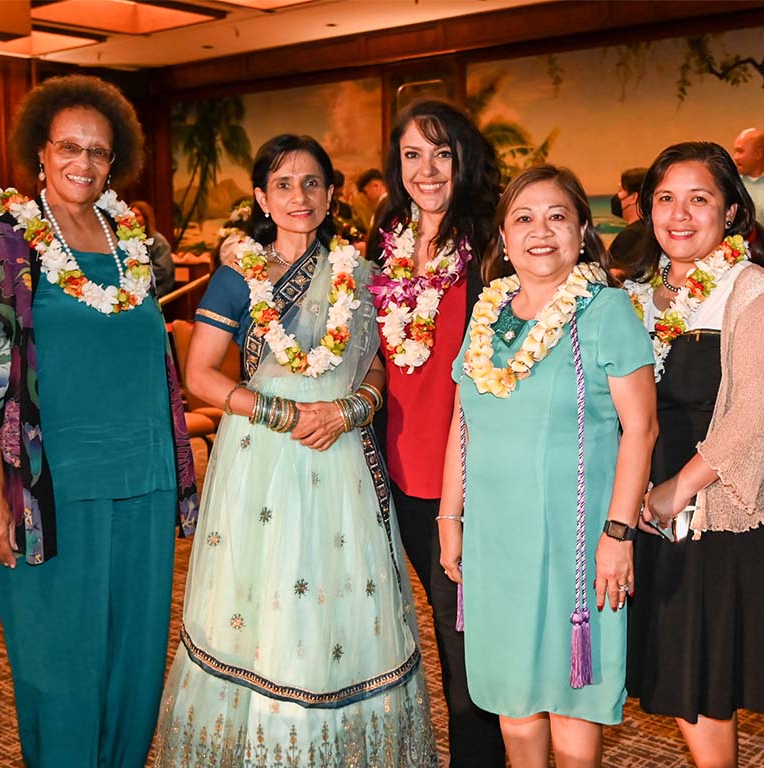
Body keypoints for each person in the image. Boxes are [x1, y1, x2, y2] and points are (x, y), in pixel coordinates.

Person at [153, 134, 438, 767]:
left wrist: (346, 410)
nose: (298, 196)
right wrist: (285, 412)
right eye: (282, 184)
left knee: (342, 600)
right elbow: (200, 375)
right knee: (268, 600)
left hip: (342, 456)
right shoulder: (236, 277)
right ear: (260, 197)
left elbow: (382, 368)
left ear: (332, 193)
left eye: (311, 183)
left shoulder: (362, 277)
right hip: (265, 458)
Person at [0, 74, 198, 767]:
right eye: (69, 148)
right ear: (40, 153)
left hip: (141, 483)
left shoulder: (130, 241)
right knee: (60, 672)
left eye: (98, 151)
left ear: (114, 163)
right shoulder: (8, 247)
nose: (83, 163)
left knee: (133, 668)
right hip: (48, 495)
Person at [439, 165, 658, 766]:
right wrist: (449, 518)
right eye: (524, 218)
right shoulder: (487, 317)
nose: (541, 231)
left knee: (571, 714)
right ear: (504, 238)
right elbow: (463, 424)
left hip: (576, 539)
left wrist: (618, 534)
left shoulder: (607, 310)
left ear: (582, 229)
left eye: (557, 216)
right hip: (496, 538)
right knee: (514, 711)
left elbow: (642, 428)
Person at [618, 141, 764, 768]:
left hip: (716, 509)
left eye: (700, 199)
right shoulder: (637, 292)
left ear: (731, 212)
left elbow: (753, 418)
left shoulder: (755, 295)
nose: (680, 214)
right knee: (674, 674)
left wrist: (675, 490)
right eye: (666, 198)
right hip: (649, 506)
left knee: (702, 692)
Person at [366, 98, 506, 767]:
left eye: (441, 153)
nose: (426, 169)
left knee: (468, 647)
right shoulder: (386, 237)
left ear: (464, 158)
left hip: (463, 478)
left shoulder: (489, 240)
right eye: (412, 154)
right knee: (414, 634)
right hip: (392, 472)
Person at [130, 199, 177, 295]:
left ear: (146, 219)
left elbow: (162, 271)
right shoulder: (127, 241)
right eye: (130, 215)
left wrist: (138, 273)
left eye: (136, 215)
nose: (132, 218)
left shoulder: (158, 241)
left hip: (157, 291)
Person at [607, 166, 648, 268]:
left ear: (633, 197)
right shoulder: (651, 228)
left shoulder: (631, 236)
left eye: (620, 190)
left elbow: (614, 276)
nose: (617, 196)